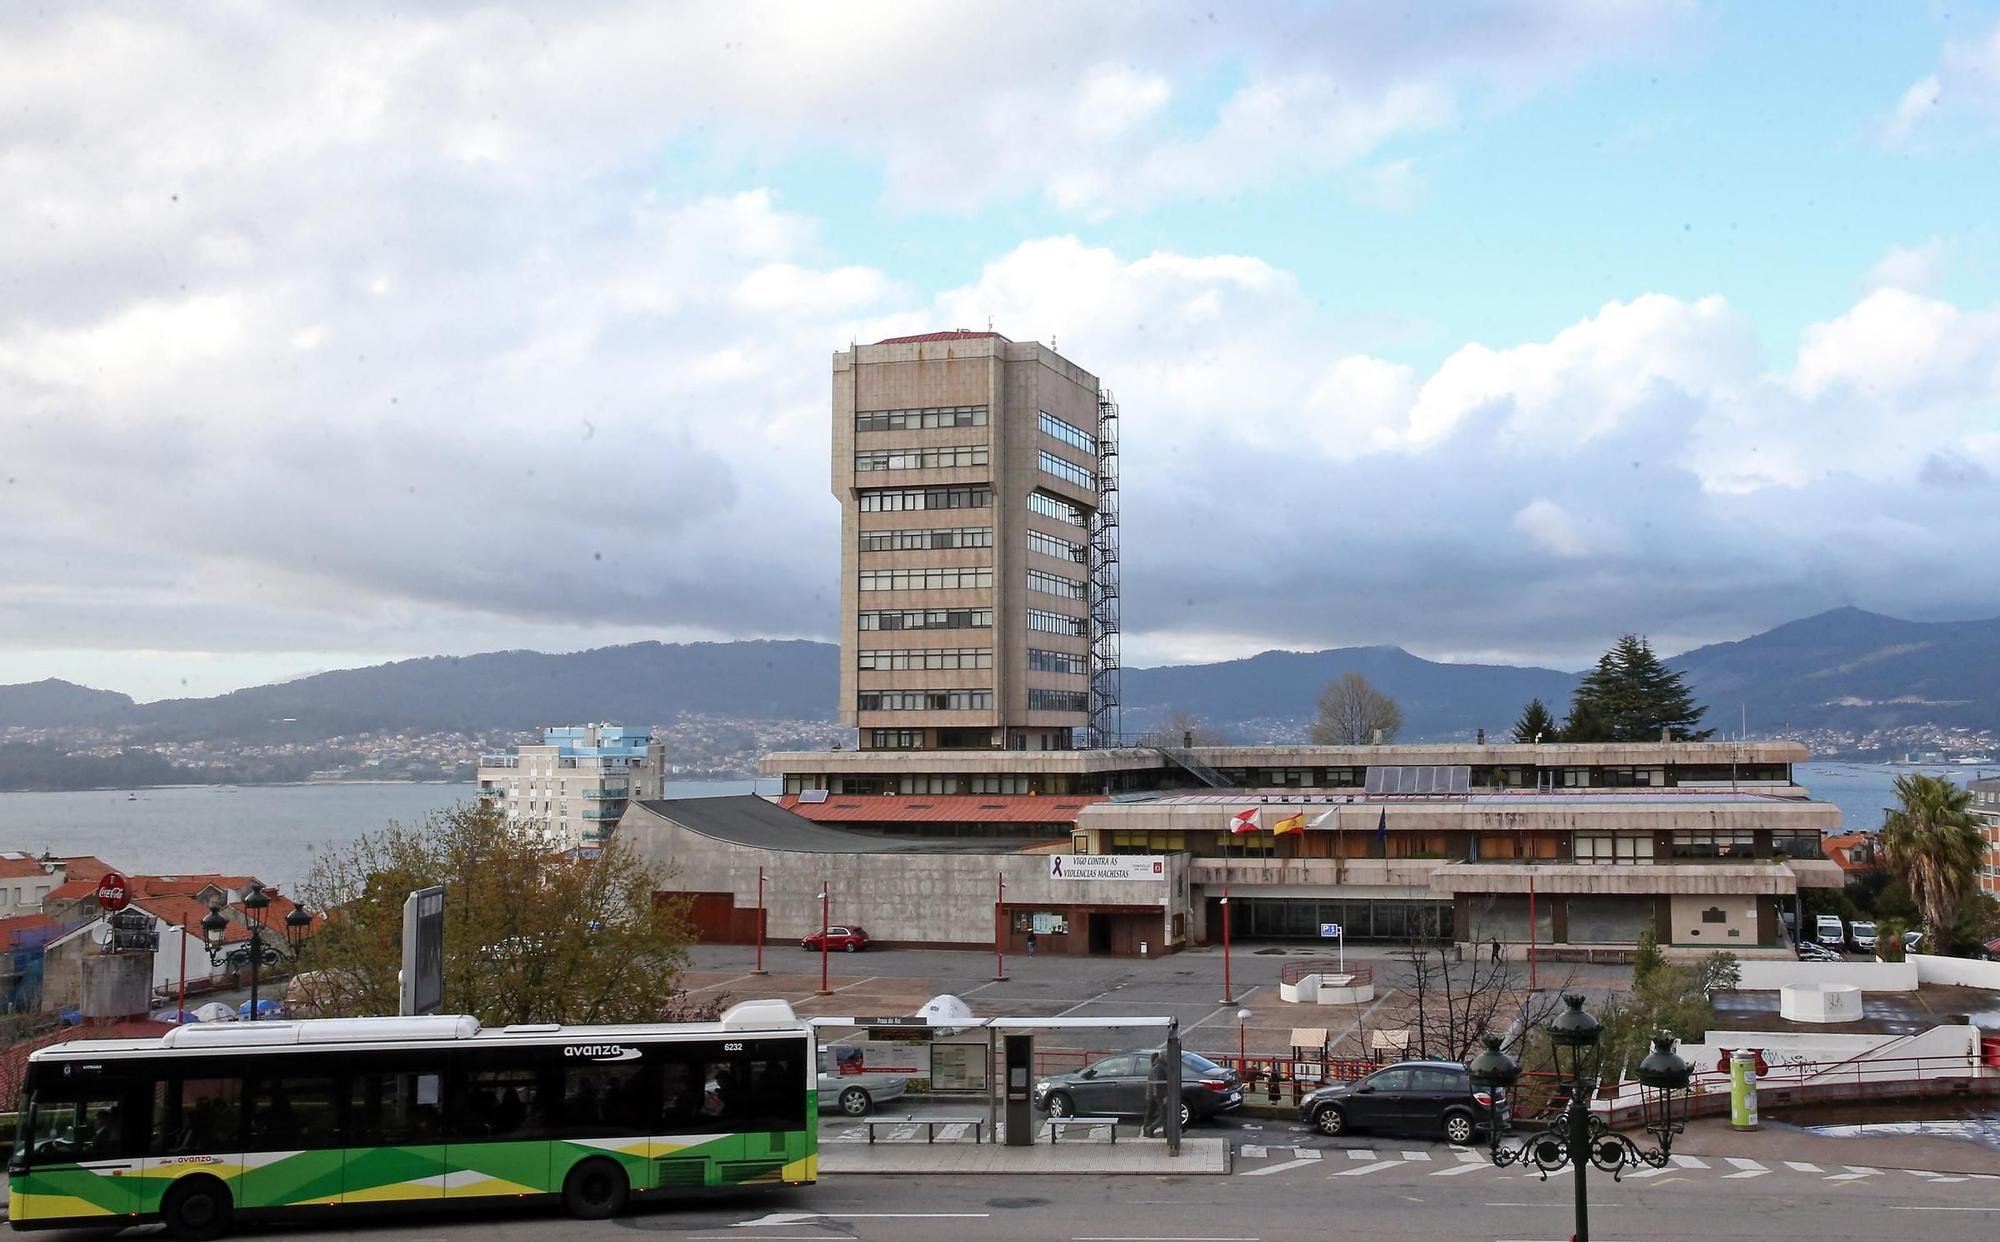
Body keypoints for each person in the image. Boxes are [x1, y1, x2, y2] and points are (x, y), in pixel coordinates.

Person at [1141, 1053, 1167, 1138]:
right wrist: (1162, 1096)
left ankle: (1147, 1131)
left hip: (1152, 1094)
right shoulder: (1159, 1067)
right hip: (1156, 1095)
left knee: (1150, 1113)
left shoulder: (1155, 1066)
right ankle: (1150, 1129)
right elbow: (1157, 1084)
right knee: (1164, 1115)